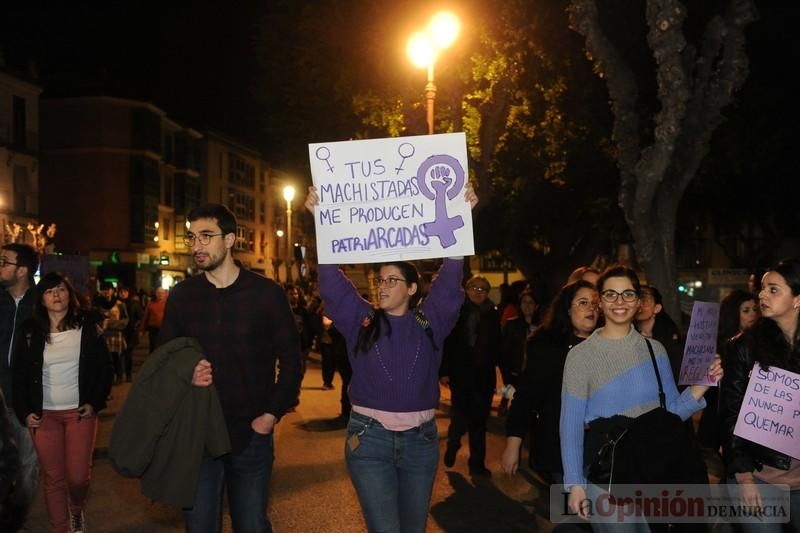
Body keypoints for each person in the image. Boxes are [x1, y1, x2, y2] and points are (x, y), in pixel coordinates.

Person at [305, 183, 478, 533]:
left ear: (413, 289)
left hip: (421, 443)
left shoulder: (431, 321)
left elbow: (449, 279)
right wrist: (321, 221)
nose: (382, 285)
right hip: (370, 441)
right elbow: (331, 283)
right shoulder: (360, 319)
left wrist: (461, 215)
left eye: (392, 280)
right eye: (379, 278)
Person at [158, 203, 302, 533]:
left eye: (206, 236)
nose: (196, 245)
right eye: (192, 237)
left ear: (230, 239)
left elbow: (292, 360)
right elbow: (164, 358)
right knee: (199, 526)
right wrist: (185, 372)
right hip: (197, 433)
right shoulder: (182, 296)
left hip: (250, 434)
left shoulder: (267, 294)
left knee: (251, 524)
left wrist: (270, 415)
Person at [561, 265, 722, 527]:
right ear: (599, 301)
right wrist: (574, 484)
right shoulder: (580, 356)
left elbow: (670, 414)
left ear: (638, 301)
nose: (619, 302)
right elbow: (570, 425)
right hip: (610, 478)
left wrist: (703, 384)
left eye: (627, 294)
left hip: (655, 472)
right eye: (611, 294)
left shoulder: (654, 350)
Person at [12, 272, 112, 533]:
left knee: (78, 477)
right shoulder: (30, 331)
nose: (56, 295)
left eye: (61, 290)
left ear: (70, 294)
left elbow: (104, 368)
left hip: (80, 414)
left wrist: (94, 402)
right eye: (49, 291)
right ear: (41, 299)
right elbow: (18, 374)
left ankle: (76, 509)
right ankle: (61, 528)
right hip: (44, 416)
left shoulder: (88, 326)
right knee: (54, 478)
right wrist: (24, 412)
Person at [720, 260, 800, 533]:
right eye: (763, 289)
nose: (762, 295)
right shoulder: (744, 347)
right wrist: (744, 479)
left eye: (773, 290)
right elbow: (731, 414)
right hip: (760, 479)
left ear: (797, 299)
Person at [502, 280, 599, 484]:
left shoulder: (607, 345)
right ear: (567, 308)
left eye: (595, 303)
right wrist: (513, 445)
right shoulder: (548, 346)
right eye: (583, 302)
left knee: (601, 512)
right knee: (568, 512)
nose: (591, 308)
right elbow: (527, 397)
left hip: (601, 450)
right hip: (560, 447)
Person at [440, 276, 501, 476]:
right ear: (466, 290)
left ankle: (477, 464)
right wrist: (444, 371)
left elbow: (497, 346)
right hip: (461, 375)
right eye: (474, 287)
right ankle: (453, 444)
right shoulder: (455, 312)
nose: (478, 291)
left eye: (483, 288)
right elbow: (446, 343)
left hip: (483, 377)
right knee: (459, 419)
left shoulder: (492, 314)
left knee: (479, 423)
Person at [0, 243, 40, 530]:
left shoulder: (43, 304)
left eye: (5, 261)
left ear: (22, 270)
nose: (0, 266)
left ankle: (15, 518)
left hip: (27, 400)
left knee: (28, 465)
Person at [697, 289, 759, 450]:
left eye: (755, 310)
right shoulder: (720, 345)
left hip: (753, 417)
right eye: (746, 310)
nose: (752, 314)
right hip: (721, 417)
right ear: (732, 314)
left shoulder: (761, 342)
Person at [498, 288, 541, 414]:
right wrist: (507, 374)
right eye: (524, 302)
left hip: (534, 373)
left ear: (536, 306)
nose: (527, 306)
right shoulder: (512, 325)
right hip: (515, 373)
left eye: (530, 302)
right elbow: (504, 352)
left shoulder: (542, 326)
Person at [635, 285, 683, 381]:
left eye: (644, 300)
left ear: (657, 308)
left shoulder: (669, 334)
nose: (639, 305)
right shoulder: (629, 334)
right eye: (636, 300)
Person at [117, 286, 143, 382]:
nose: (123, 294)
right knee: (118, 355)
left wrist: (136, 327)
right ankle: (119, 376)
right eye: (121, 292)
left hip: (130, 333)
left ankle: (128, 375)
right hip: (119, 332)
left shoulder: (134, 304)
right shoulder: (116, 303)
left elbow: (140, 317)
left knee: (128, 355)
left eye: (125, 292)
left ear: (128, 293)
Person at [140, 287, 167, 353]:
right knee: (153, 347)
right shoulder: (151, 303)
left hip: (164, 329)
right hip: (153, 329)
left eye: (162, 293)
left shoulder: (169, 303)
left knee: (163, 347)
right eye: (158, 293)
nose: (160, 295)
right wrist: (142, 329)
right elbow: (146, 317)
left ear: (165, 294)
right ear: (156, 294)